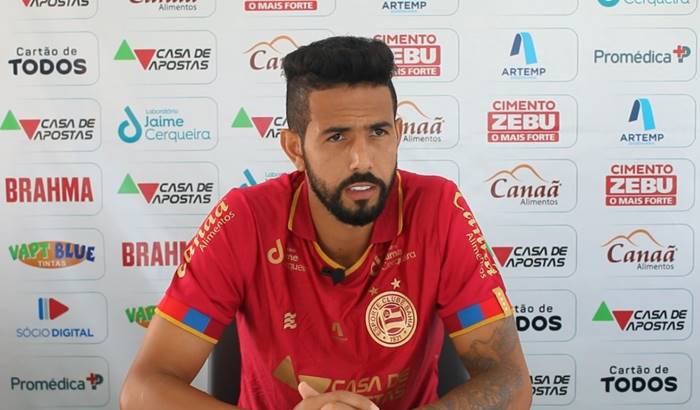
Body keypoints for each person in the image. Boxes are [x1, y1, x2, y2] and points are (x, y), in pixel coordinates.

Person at [120, 36, 532, 410]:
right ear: (294, 148)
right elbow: (143, 389)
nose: (362, 160)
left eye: (378, 132)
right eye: (337, 137)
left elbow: (511, 382)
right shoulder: (245, 219)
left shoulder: (438, 209)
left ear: (398, 134)